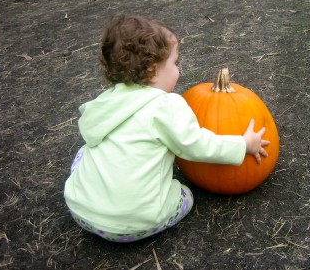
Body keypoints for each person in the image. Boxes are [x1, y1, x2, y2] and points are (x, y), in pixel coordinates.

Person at [64, 13, 270, 242]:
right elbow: (198, 145)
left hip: (81, 210)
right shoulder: (164, 106)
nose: (178, 70)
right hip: (134, 224)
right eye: (175, 63)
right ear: (153, 72)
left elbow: (90, 136)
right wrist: (243, 144)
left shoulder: (106, 102)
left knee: (84, 152)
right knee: (185, 195)